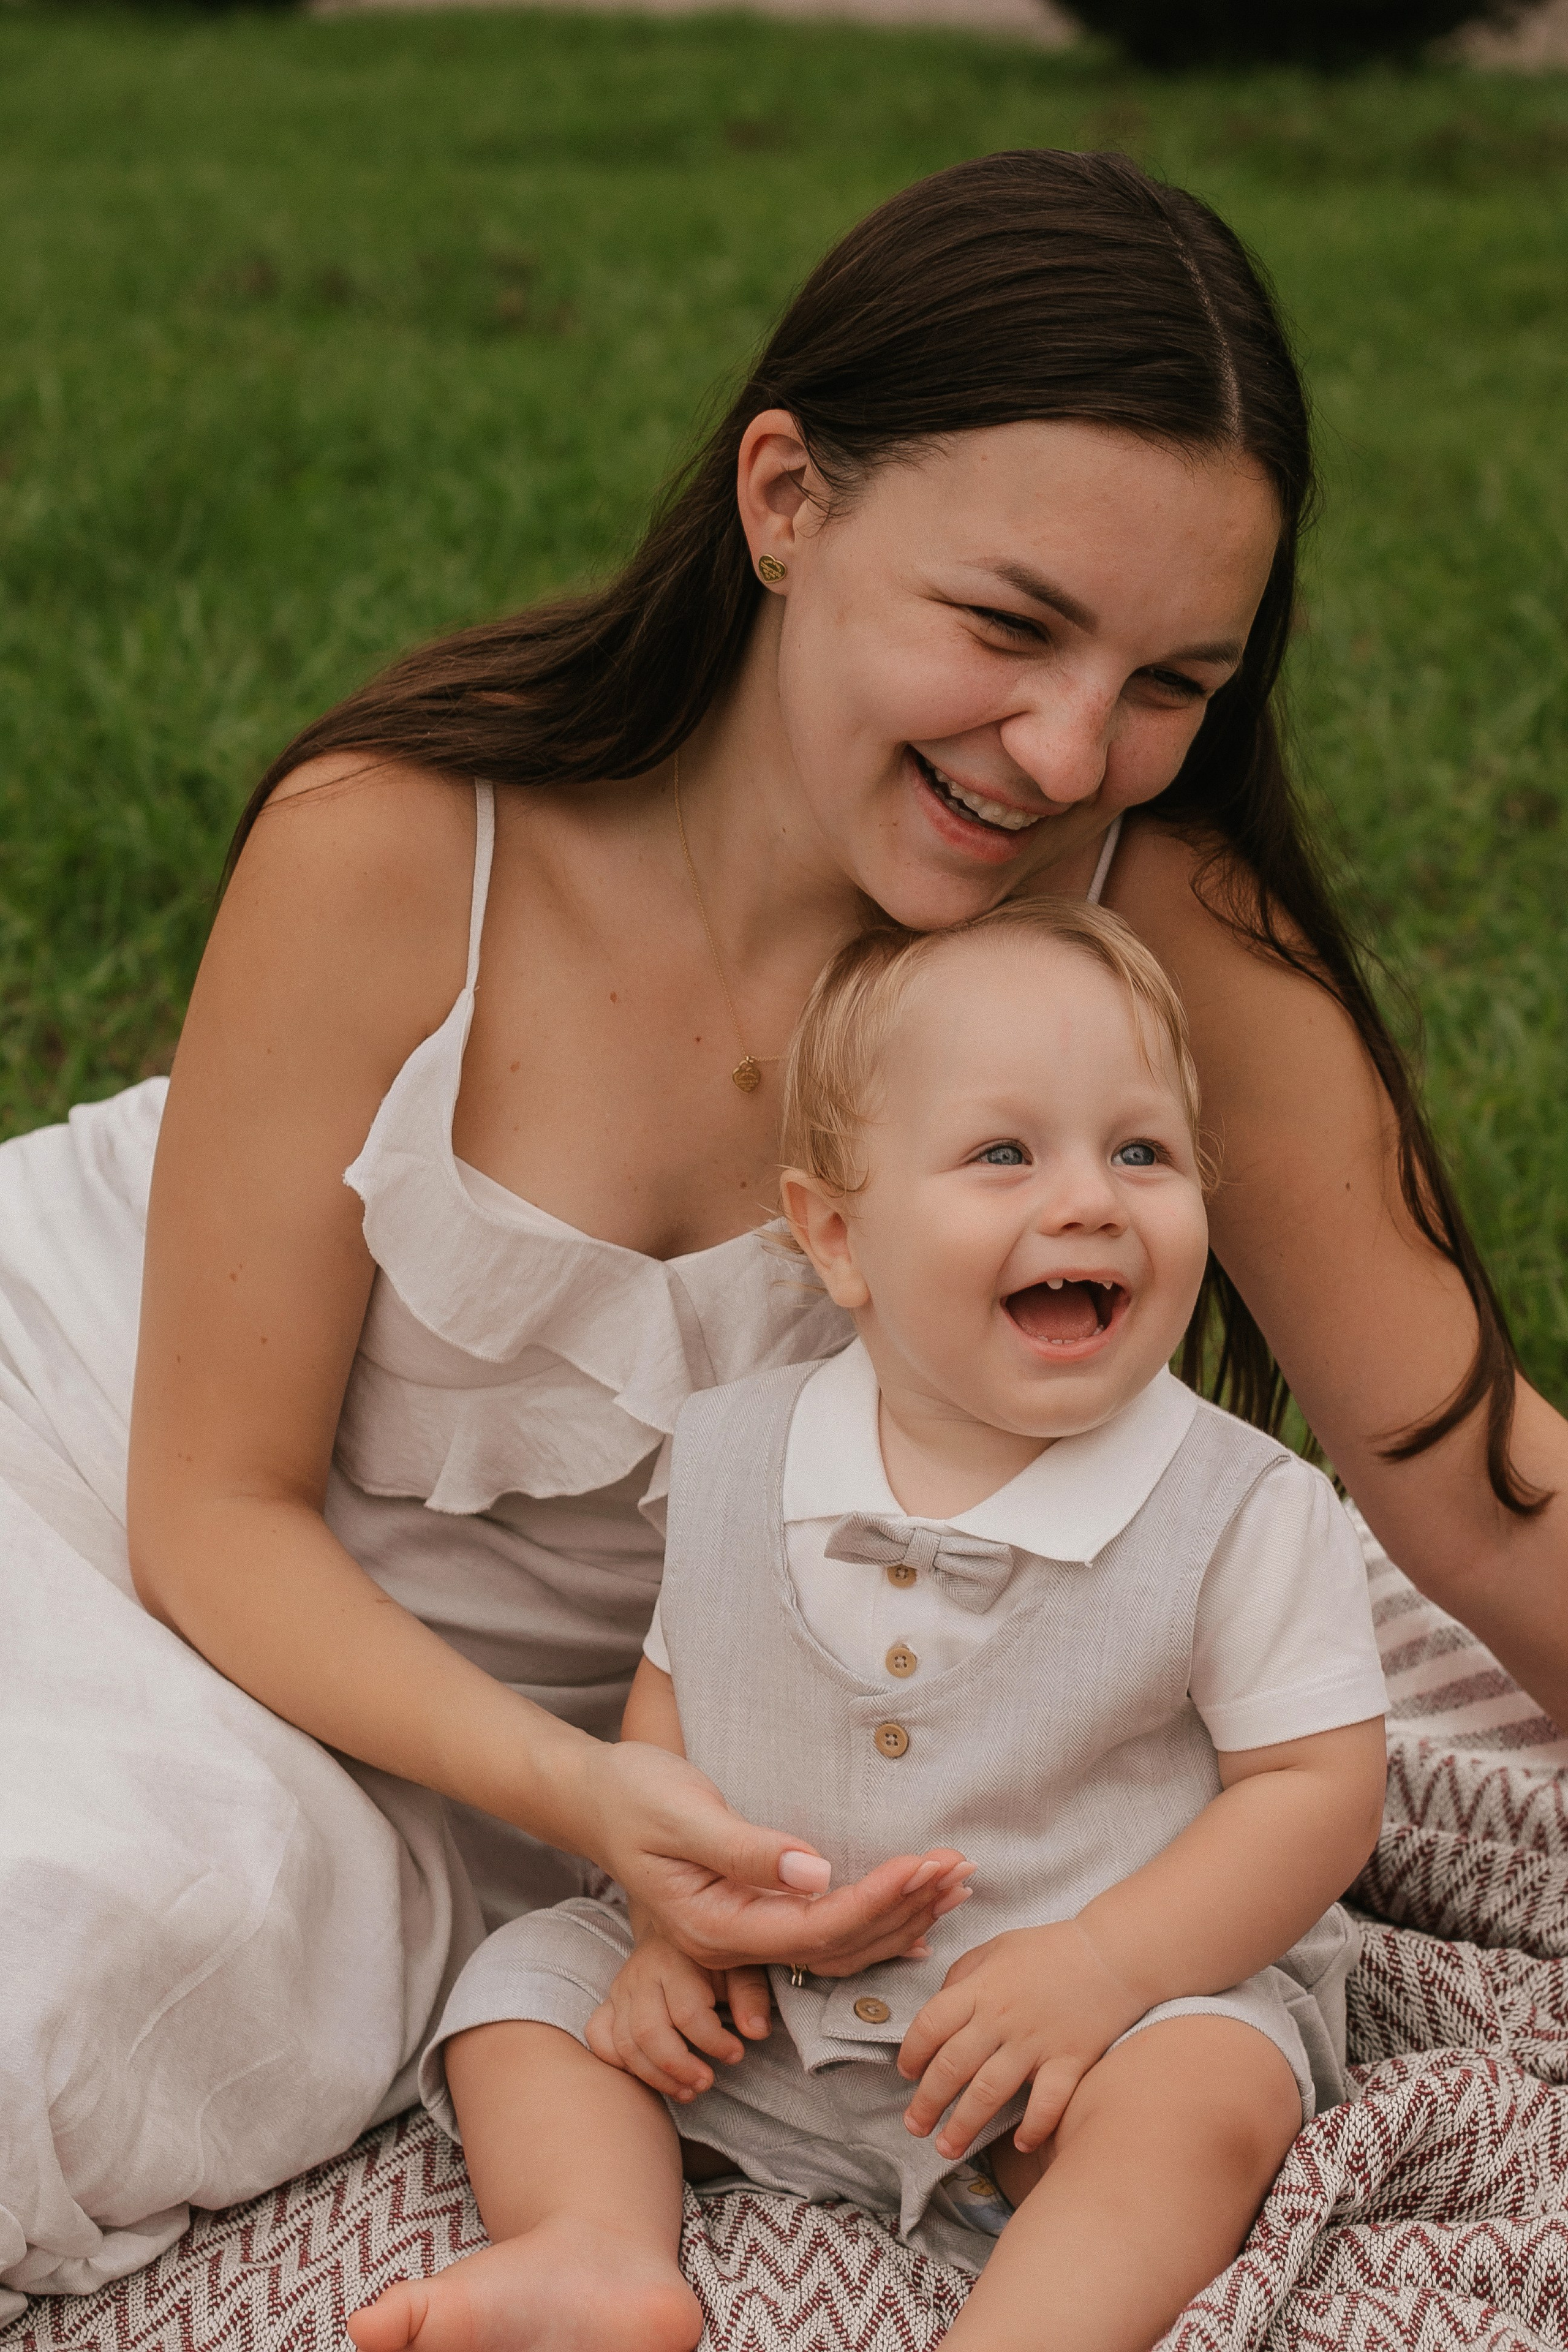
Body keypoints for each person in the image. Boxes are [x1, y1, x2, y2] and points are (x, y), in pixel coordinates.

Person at [0, 147, 1558, 2315]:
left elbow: (1475, 1486)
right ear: (785, 499)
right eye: (1009, 625)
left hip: (623, 1788)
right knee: (55, 1965)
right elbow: (212, 1505)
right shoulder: (395, 845)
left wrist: (627, 1823)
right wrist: (584, 1802)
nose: (1069, 749)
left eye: (1172, 681)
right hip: (136, 1500)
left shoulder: (1158, 929)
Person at [352, 902, 1387, 2352]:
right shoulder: (733, 1455)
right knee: (521, 1994)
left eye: (1140, 1150)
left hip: (1070, 2043)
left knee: (1210, 2094)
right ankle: (592, 2247)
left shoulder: (1234, 1505)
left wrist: (1105, 1968)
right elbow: (675, 1697)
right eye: (1004, 1153)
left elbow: (1318, 1792)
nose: (1091, 1199)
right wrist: (665, 1922)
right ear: (835, 1235)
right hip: (759, 2016)